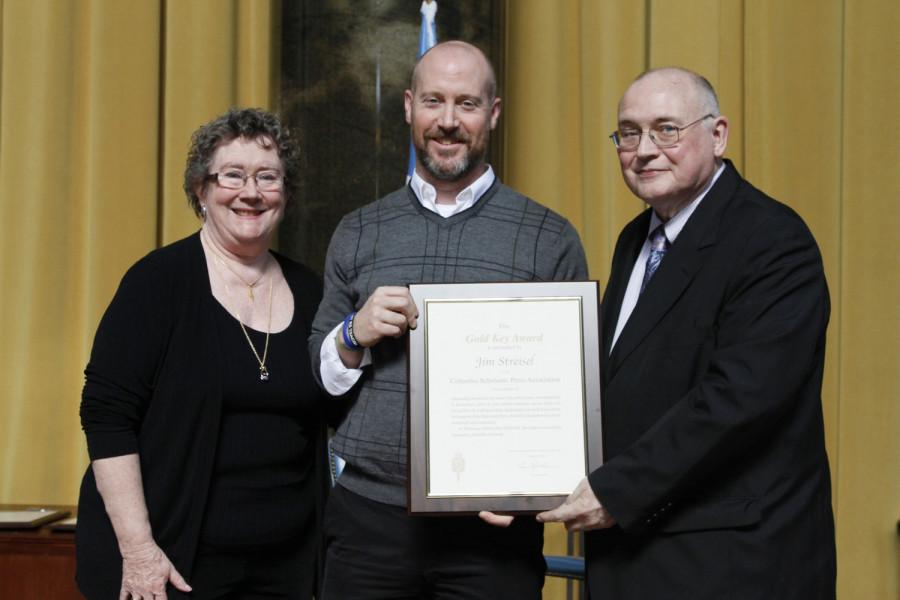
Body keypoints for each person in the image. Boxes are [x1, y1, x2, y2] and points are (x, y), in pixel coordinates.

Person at [537, 67, 836, 598]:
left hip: (731, 564)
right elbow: (623, 385)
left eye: (666, 129)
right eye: (628, 133)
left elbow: (736, 403)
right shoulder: (638, 238)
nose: (644, 149)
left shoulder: (773, 240)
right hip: (637, 555)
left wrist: (613, 490)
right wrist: (524, 478)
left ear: (717, 135)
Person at [309, 40, 588, 599]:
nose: (448, 121)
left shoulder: (549, 237)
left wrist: (529, 491)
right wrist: (352, 335)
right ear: (410, 107)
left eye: (467, 103)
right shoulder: (359, 229)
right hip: (368, 521)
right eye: (434, 101)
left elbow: (571, 395)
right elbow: (319, 376)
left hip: (492, 532)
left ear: (494, 112)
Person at [76, 108, 327, 599]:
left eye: (267, 177)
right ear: (201, 190)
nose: (250, 192)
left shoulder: (310, 290)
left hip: (287, 570)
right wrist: (140, 550)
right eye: (232, 175)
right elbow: (106, 417)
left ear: (286, 194)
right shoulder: (157, 283)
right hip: (174, 563)